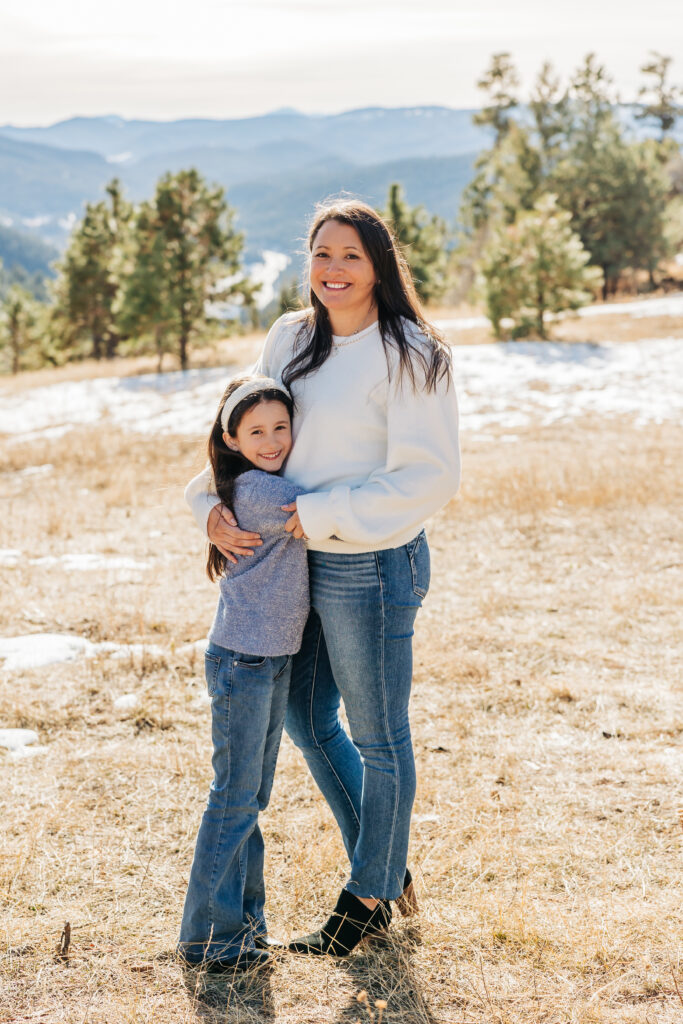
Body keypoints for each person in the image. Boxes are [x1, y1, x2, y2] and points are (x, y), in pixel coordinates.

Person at [186, 198, 460, 957]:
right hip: (295, 565)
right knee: (308, 719)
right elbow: (238, 435)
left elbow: (429, 477)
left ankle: (370, 893)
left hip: (371, 563)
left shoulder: (411, 352)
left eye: (350, 256)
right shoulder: (290, 338)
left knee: (378, 734)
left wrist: (323, 511)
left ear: (378, 267)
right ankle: (388, 862)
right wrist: (208, 504)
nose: (332, 270)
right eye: (321, 253)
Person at [178, 374, 308, 973]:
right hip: (243, 663)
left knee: (249, 800)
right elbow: (323, 504)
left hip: (269, 659)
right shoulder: (263, 494)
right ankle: (210, 938)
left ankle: (245, 926)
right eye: (256, 430)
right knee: (234, 799)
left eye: (281, 426)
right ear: (231, 438)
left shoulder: (255, 482)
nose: (273, 439)